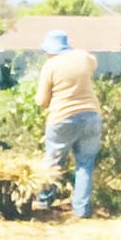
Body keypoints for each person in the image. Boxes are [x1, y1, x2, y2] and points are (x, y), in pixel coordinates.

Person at [34, 29, 103, 218]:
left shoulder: (50, 66)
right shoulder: (84, 58)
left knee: (53, 162)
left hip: (62, 118)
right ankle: (81, 210)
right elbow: (92, 62)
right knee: (85, 164)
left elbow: (41, 101)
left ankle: (43, 201)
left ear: (50, 49)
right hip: (91, 115)